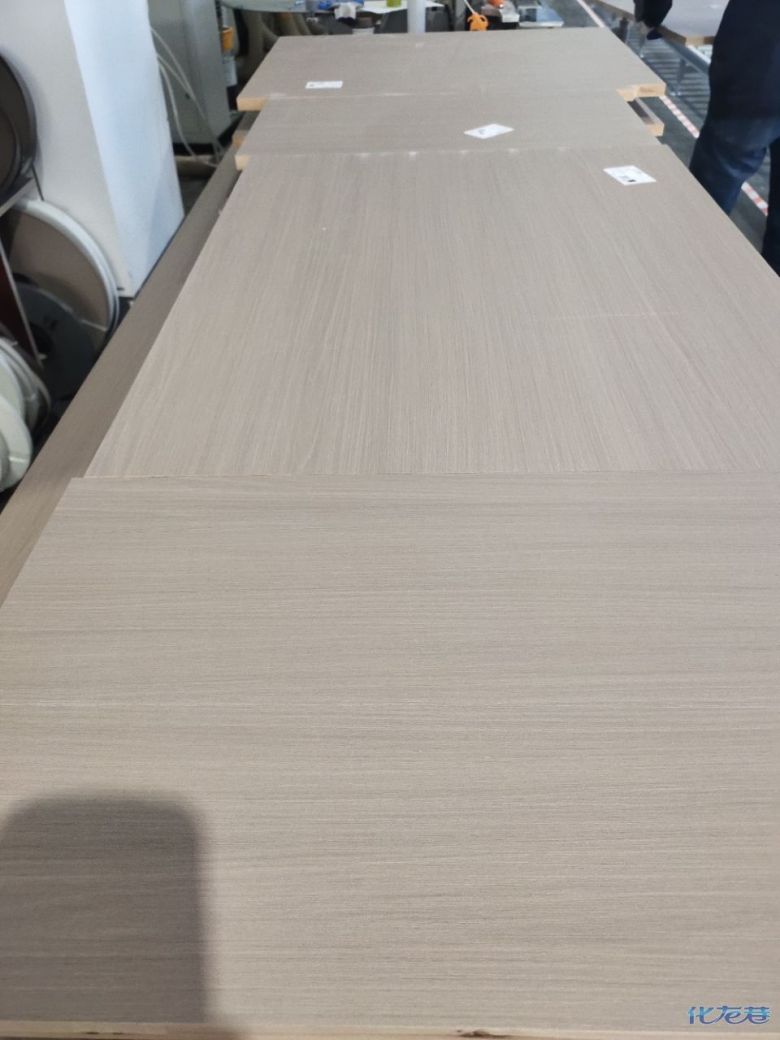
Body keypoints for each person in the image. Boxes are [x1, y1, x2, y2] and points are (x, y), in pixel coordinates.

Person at [637, 0, 780, 275]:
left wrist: (652, 14)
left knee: (709, 198)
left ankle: (688, 277)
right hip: (760, 72)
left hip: (759, 71)